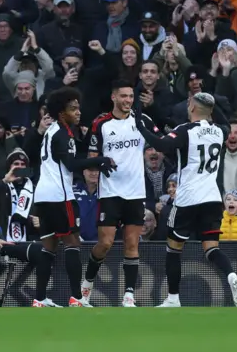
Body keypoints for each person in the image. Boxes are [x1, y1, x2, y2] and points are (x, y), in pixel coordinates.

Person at [134, 92, 237, 307]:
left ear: (193, 108)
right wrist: (211, 103)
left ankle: (173, 298)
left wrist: (141, 128)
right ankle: (231, 275)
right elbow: (223, 121)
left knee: (173, 248)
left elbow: (162, 145)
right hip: (213, 198)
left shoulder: (186, 131)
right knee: (212, 248)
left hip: (187, 199)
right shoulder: (220, 131)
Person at [33, 87, 117, 307]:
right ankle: (77, 298)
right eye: (73, 108)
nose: (78, 112)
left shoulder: (53, 131)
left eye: (78, 107)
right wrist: (99, 160)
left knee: (48, 247)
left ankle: (39, 299)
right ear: (62, 113)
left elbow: (71, 156)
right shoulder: (61, 133)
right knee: (72, 243)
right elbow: (71, 164)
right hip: (60, 196)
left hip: (43, 195)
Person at [82, 80, 159, 307]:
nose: (128, 101)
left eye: (131, 97)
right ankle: (86, 286)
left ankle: (129, 295)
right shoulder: (101, 123)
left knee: (132, 243)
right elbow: (92, 155)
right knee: (104, 243)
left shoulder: (142, 120)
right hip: (110, 192)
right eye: (123, 96)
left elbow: (159, 141)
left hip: (135, 192)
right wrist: (100, 162)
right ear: (113, 97)